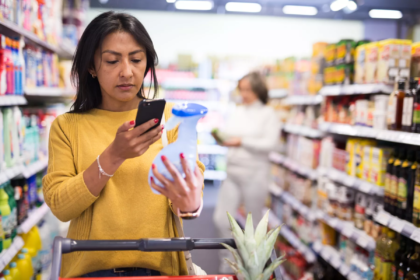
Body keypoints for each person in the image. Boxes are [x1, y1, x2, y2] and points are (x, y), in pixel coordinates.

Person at [42, 11, 205, 278]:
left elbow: (191, 187)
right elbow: (61, 206)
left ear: (147, 64)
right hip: (90, 272)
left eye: (137, 59)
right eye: (112, 61)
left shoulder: (172, 119)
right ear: (92, 67)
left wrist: (190, 202)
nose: (127, 72)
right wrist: (114, 155)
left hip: (159, 270)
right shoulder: (67, 127)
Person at [212, 72, 279, 273]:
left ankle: (254, 271)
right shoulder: (238, 111)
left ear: (258, 90)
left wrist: (241, 141)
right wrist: (221, 138)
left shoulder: (268, 114)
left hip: (255, 174)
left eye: (248, 89)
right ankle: (228, 266)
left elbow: (270, 144)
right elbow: (229, 135)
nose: (244, 93)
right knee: (221, 219)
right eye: (241, 89)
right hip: (232, 172)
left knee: (255, 226)